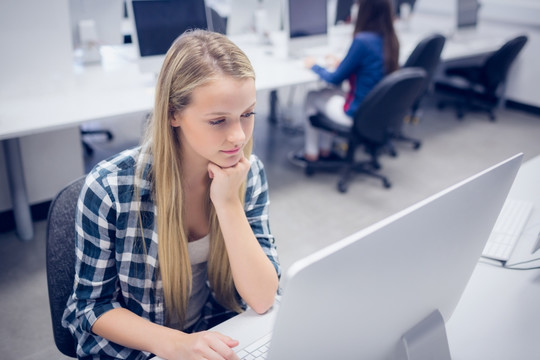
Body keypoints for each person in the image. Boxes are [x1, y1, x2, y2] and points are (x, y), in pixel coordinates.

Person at [62, 29, 280, 360]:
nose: (238, 136)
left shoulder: (248, 173)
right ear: (173, 114)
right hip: (137, 348)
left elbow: (264, 298)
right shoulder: (110, 189)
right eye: (218, 120)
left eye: (247, 114)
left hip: (215, 334)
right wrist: (174, 343)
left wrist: (227, 202)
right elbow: (91, 307)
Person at [294, 0, 400, 163]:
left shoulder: (362, 40)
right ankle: (325, 150)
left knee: (313, 96)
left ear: (366, 10)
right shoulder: (391, 40)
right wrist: (344, 63)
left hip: (356, 114)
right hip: (377, 113)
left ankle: (312, 154)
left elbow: (334, 79)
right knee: (329, 95)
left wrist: (313, 65)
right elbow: (369, 68)